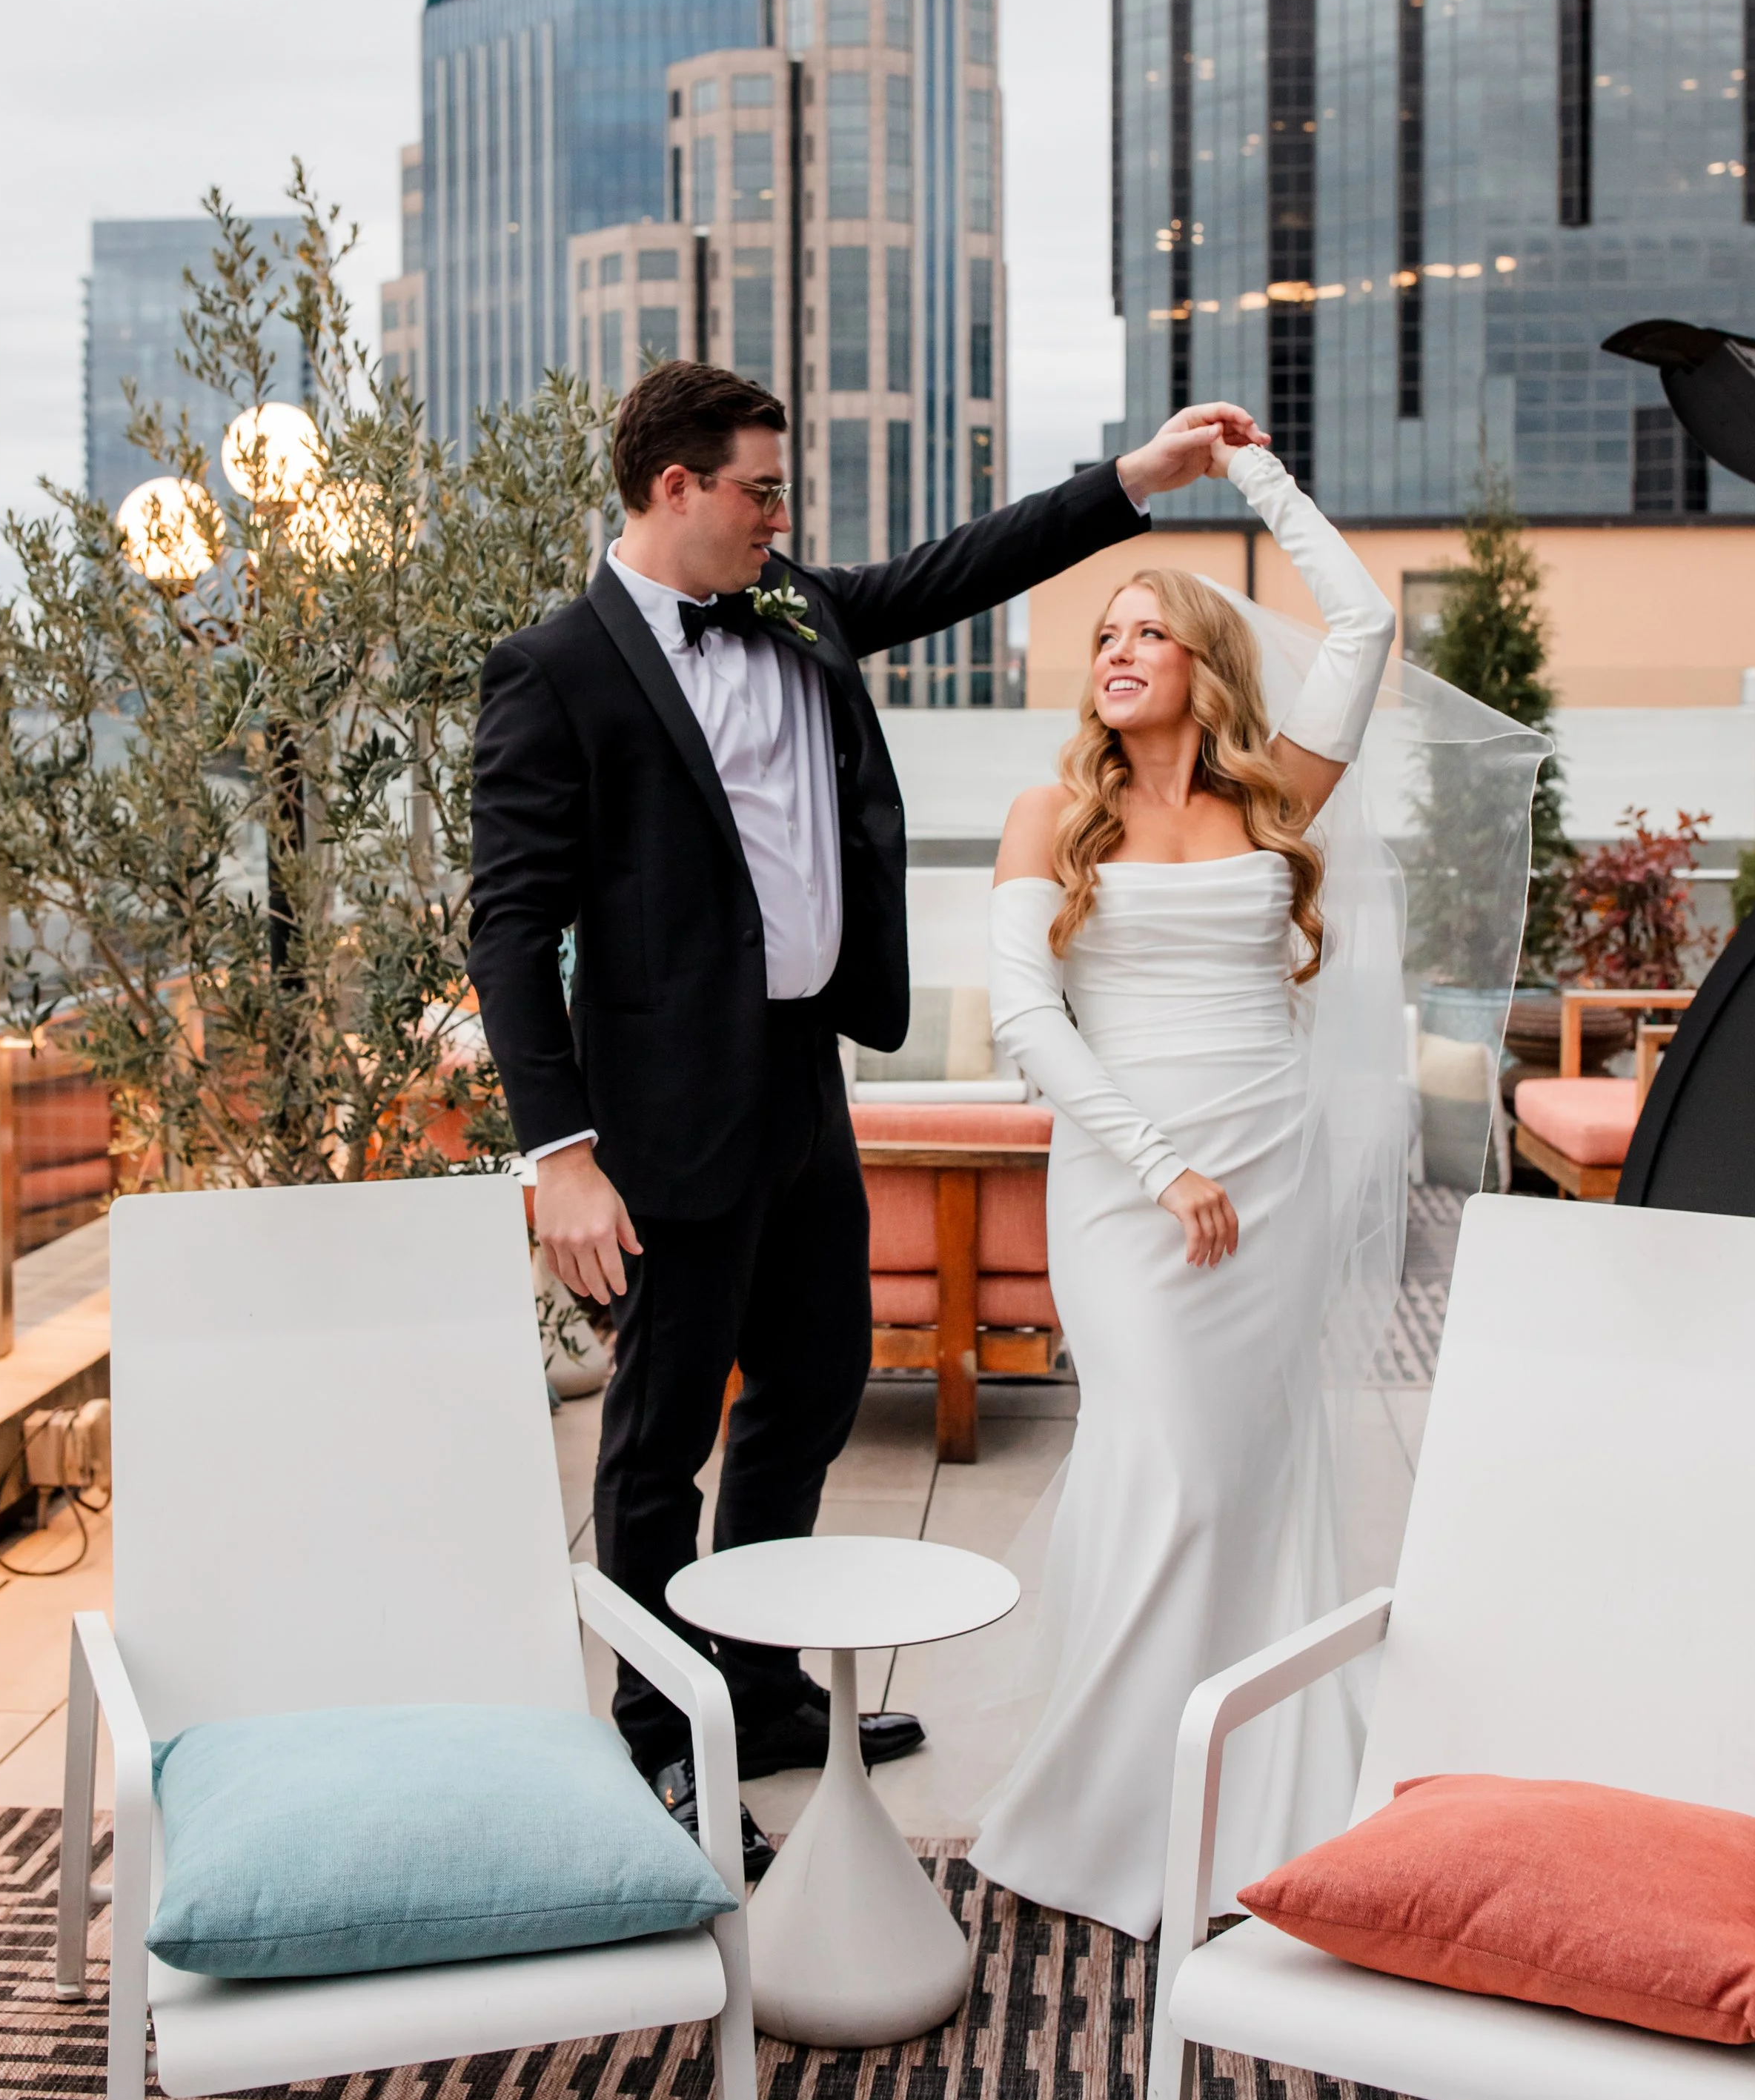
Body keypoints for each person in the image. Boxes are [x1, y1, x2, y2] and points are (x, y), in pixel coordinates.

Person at [466, 359, 1253, 1876]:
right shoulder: (552, 668)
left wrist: (1134, 481)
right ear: (672, 488)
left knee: (812, 1392)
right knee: (652, 1446)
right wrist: (557, 1154)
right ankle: (659, 1733)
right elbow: (509, 927)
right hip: (655, 1113)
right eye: (758, 490)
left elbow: (956, 569)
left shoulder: (787, 605)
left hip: (803, 1083)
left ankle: (759, 1688)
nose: (782, 516)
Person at [966, 424, 1398, 1941]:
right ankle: (1100, 1811)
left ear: (1204, 660)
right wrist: (1156, 1166)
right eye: (1105, 632)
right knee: (1175, 1476)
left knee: (1249, 1482)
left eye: (1151, 630)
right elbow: (1026, 1018)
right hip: (1127, 1184)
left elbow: (1362, 625)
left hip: (1272, 1172)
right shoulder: (1047, 816)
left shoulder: (1271, 793)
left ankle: (1248, 1802)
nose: (1120, 649)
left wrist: (1257, 482)